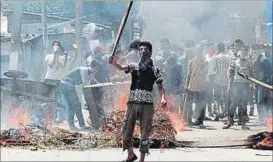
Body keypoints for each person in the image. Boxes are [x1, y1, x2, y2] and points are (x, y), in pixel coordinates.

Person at [109, 41, 166, 162]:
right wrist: (114, 63)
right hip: (133, 104)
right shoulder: (134, 66)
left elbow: (160, 86)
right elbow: (121, 67)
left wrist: (163, 98)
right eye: (141, 49)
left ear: (150, 53)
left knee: (145, 133)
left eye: (146, 49)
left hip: (147, 106)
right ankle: (130, 154)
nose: (143, 51)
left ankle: (141, 160)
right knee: (126, 130)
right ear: (138, 53)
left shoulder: (155, 69)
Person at [60, 61, 100, 131]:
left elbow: (92, 80)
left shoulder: (88, 72)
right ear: (91, 66)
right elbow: (85, 84)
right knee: (76, 105)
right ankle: (81, 125)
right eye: (95, 69)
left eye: (97, 70)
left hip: (66, 85)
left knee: (71, 106)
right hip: (67, 86)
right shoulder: (83, 70)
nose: (96, 72)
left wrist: (99, 84)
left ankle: (72, 126)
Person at [44, 40, 77, 123]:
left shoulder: (61, 58)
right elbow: (51, 65)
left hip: (57, 80)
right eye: (54, 44)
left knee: (58, 99)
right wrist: (54, 54)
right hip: (48, 79)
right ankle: (50, 117)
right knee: (48, 98)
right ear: (52, 47)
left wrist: (65, 55)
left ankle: (59, 117)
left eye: (57, 45)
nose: (56, 46)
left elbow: (61, 66)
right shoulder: (48, 56)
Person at [223, 45, 254, 130]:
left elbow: (252, 75)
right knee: (233, 103)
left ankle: (243, 123)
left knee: (243, 104)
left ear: (247, 52)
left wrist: (252, 84)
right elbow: (230, 74)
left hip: (245, 85)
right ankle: (230, 121)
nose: (243, 51)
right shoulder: (234, 62)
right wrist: (229, 85)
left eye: (245, 50)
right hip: (236, 84)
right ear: (239, 52)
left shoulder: (249, 62)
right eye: (242, 50)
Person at [183, 45, 208, 129]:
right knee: (188, 104)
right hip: (192, 86)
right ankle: (188, 120)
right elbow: (189, 74)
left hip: (202, 87)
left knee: (201, 104)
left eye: (200, 50)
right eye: (197, 50)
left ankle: (200, 121)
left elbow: (206, 74)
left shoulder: (205, 62)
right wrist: (186, 85)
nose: (199, 52)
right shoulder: (191, 61)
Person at [252, 44, 272, 125]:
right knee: (259, 101)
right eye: (265, 48)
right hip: (258, 83)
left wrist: (269, 82)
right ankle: (262, 118)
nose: (267, 49)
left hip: (266, 83)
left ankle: (265, 118)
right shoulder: (258, 59)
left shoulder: (265, 60)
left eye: (268, 48)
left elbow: (270, 72)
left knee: (265, 101)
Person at [214, 42, 232, 117]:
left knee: (217, 97)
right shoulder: (229, 56)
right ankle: (226, 112)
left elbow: (214, 69)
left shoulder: (216, 57)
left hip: (218, 80)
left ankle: (219, 111)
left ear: (218, 48)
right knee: (226, 97)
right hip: (227, 80)